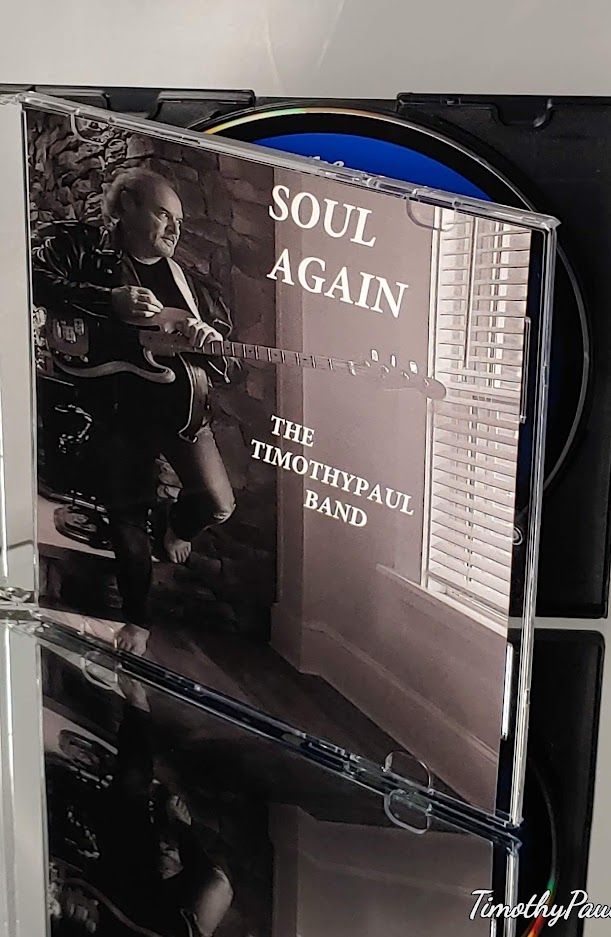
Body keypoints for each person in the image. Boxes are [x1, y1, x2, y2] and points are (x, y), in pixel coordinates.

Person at [32, 167, 236, 656]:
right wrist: (108, 301)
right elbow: (31, 279)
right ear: (126, 206)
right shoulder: (79, 245)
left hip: (180, 411)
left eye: (179, 222)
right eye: (164, 215)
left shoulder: (193, 286)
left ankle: (175, 527)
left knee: (218, 503)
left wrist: (210, 341)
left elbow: (224, 362)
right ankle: (137, 622)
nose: (174, 230)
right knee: (127, 515)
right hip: (115, 408)